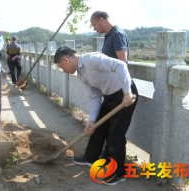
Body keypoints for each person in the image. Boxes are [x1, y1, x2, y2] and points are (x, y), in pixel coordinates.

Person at [54, 45, 138, 185]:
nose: (63, 70)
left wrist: (127, 92)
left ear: (65, 60)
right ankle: (91, 158)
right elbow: (94, 96)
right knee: (98, 127)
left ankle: (119, 173)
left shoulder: (92, 59)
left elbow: (120, 65)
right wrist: (91, 120)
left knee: (115, 134)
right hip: (110, 97)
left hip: (125, 95)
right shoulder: (81, 73)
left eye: (61, 67)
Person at [90, 11, 139, 159]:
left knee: (116, 133)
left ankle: (117, 172)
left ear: (102, 20)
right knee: (103, 126)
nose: (94, 29)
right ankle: (102, 159)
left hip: (122, 90)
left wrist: (124, 91)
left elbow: (122, 62)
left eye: (94, 24)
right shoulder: (109, 36)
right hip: (112, 91)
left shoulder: (117, 34)